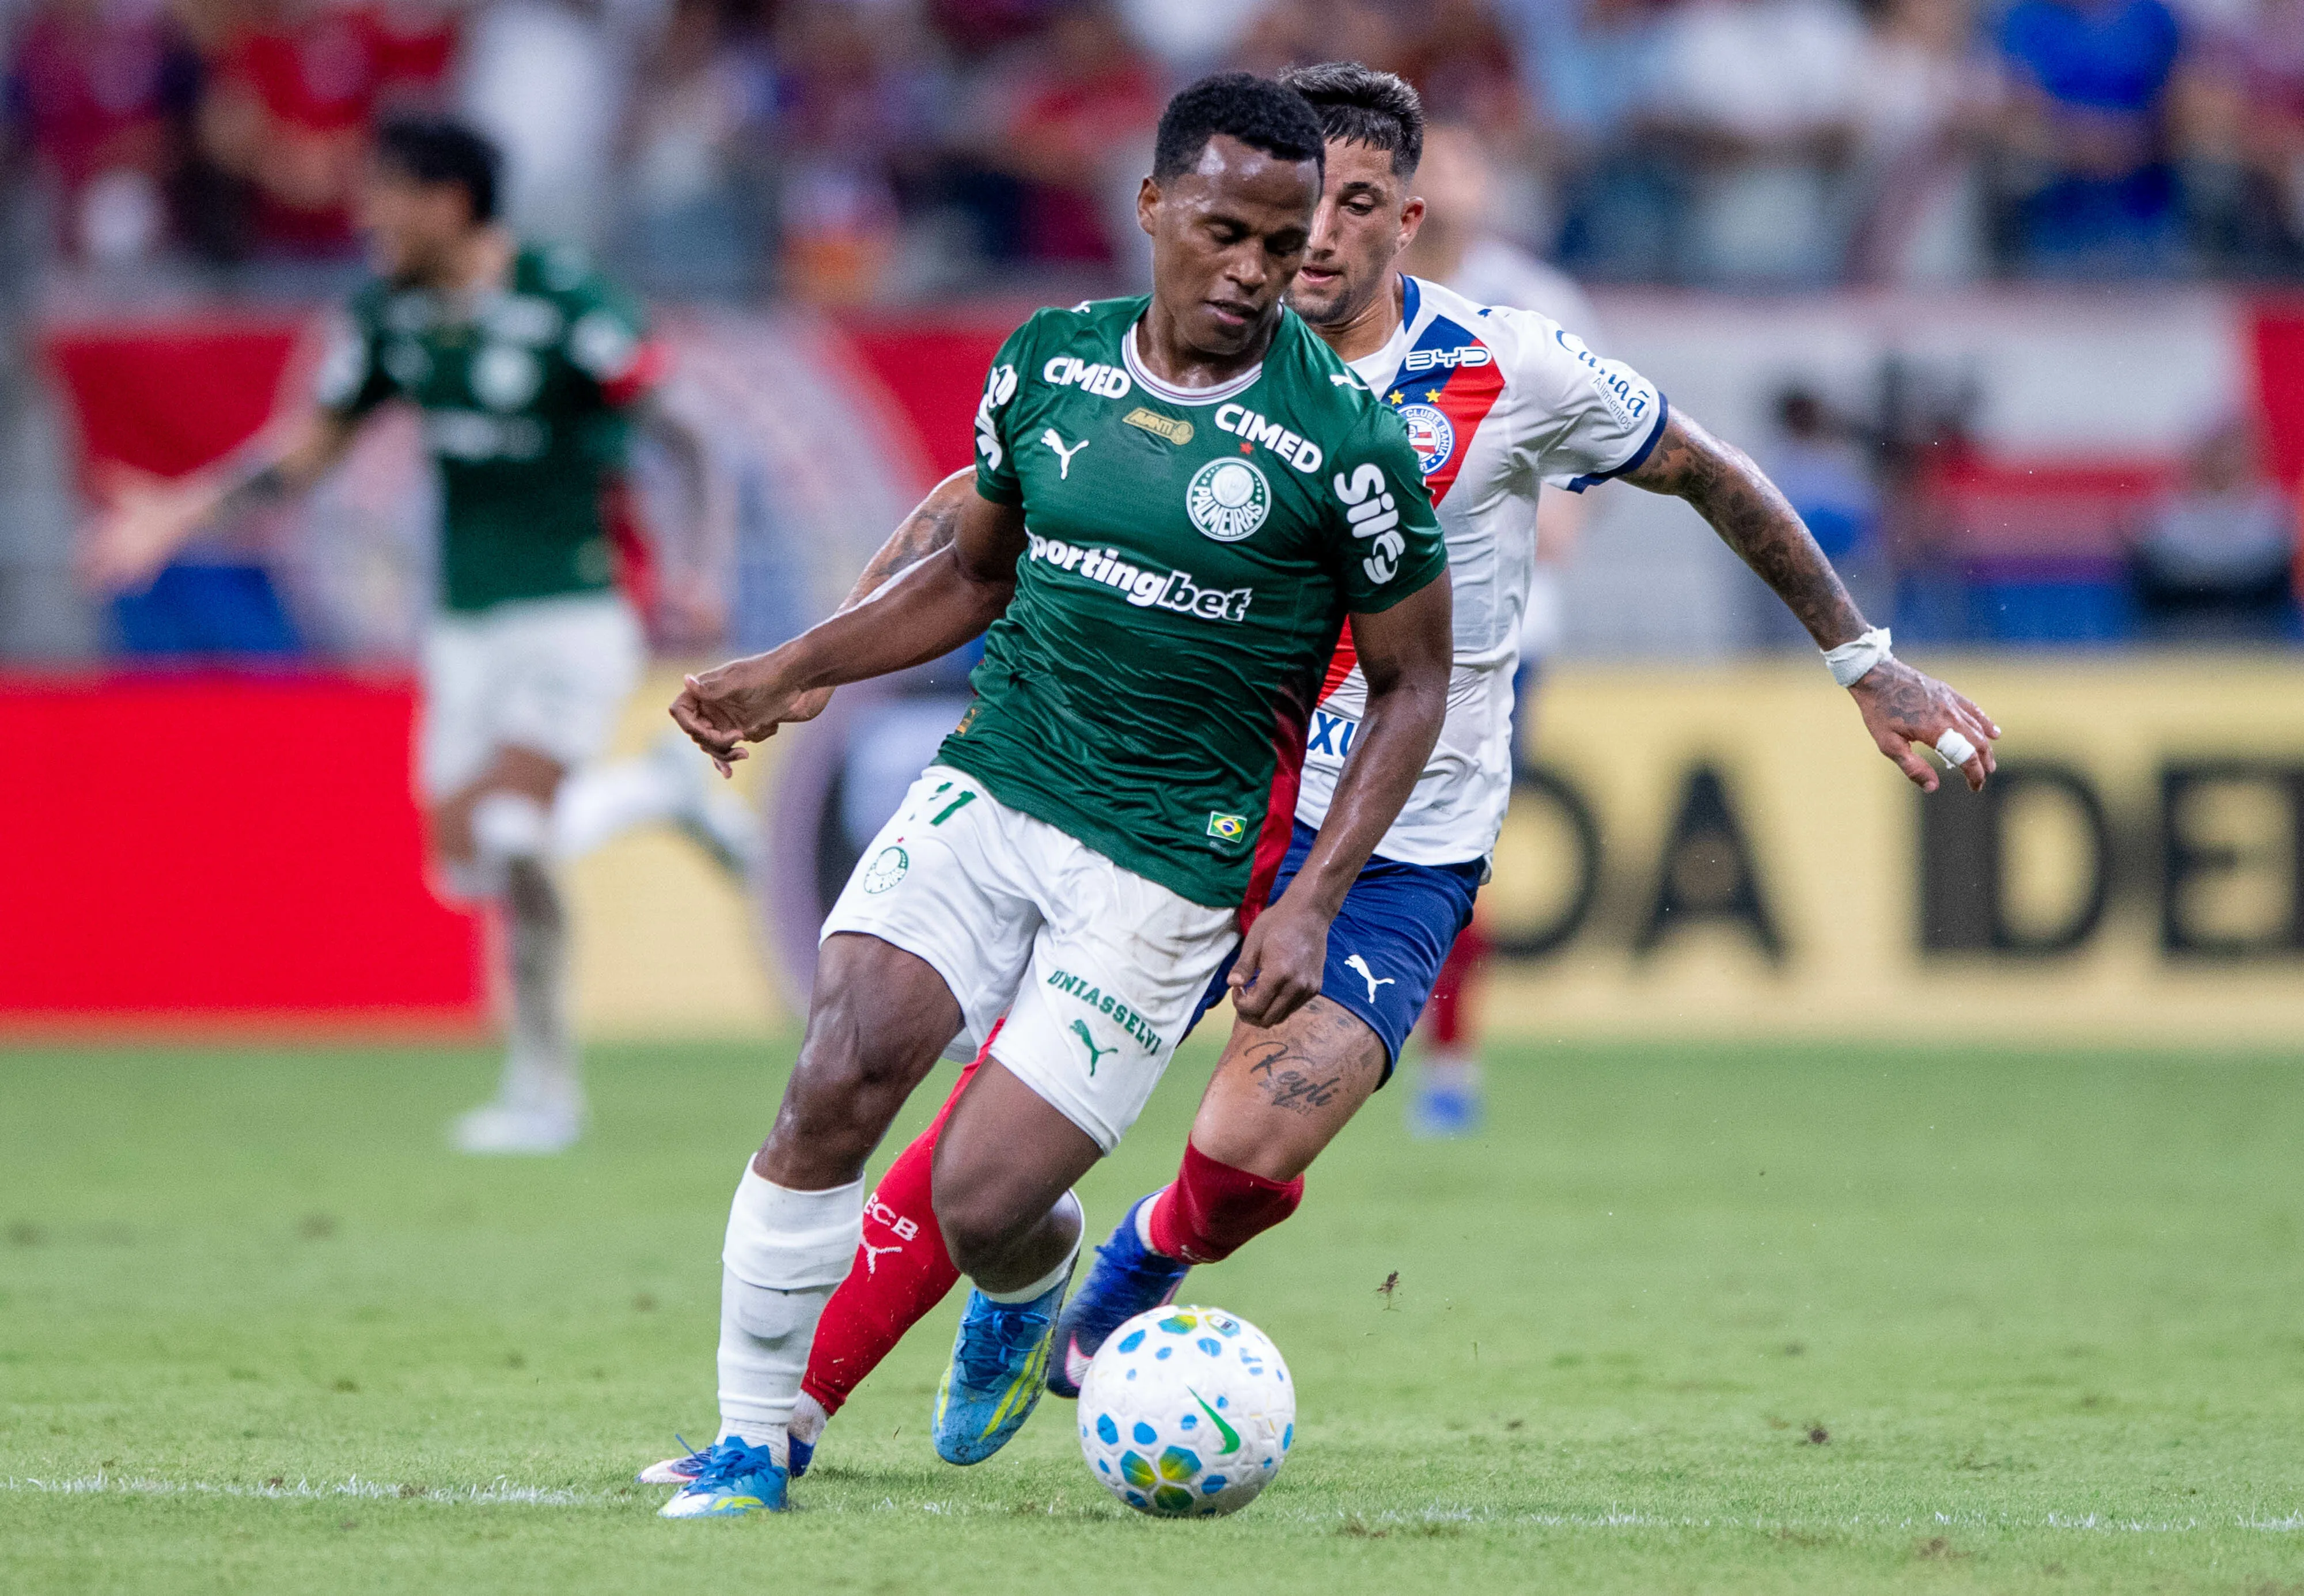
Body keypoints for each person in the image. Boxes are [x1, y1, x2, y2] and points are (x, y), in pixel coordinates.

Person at [642, 61, 2003, 1492]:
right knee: (967, 1129)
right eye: (1299, 212)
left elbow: (1712, 472)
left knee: (1243, 1148)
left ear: (1404, 220)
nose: (1319, 243)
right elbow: (992, 503)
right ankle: (787, 1421)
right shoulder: (1155, 360)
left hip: (1399, 835)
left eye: (1354, 209)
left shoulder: (1505, 368)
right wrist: (826, 646)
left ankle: (1143, 1254)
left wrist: (1863, 658)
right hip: (1189, 808)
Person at [650, 70, 1456, 1521]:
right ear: (1151, 207)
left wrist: (1308, 899)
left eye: (1282, 246)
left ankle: (1028, 1279)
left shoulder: (1345, 443)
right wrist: (791, 667)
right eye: (1225, 232)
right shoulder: (1046, 364)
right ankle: (749, 1442)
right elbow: (971, 570)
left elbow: (1411, 686)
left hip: (1164, 862)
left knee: (978, 1202)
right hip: (997, 780)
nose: (1256, 271)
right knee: (837, 1070)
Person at [82, 113, 745, 1155]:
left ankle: (543, 1090)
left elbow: (689, 433)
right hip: (465, 625)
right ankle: (652, 791)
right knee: (469, 867)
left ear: (447, 199)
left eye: (385, 193)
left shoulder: (565, 302)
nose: (366, 216)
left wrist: (705, 565)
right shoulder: (391, 317)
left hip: (577, 605)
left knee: (515, 833)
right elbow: (306, 451)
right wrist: (179, 510)